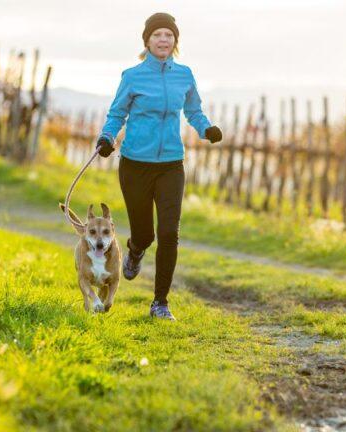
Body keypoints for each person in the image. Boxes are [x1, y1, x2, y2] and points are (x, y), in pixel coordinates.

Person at [96, 12, 222, 321]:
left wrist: (206, 129)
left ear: (175, 41)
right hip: (135, 165)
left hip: (170, 166)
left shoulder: (184, 75)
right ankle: (135, 249)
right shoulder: (133, 76)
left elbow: (193, 111)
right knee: (146, 234)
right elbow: (117, 114)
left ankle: (160, 303)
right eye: (157, 35)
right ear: (147, 41)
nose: (163, 40)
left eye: (168, 35)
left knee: (168, 233)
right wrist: (106, 136)